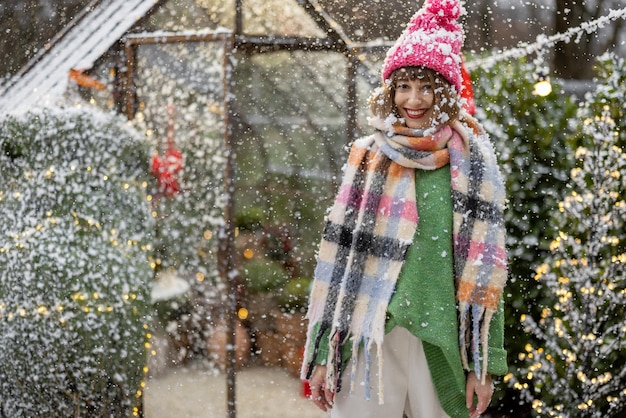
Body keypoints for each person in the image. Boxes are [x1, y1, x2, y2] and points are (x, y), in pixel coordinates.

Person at [300, 0, 508, 417]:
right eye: (404, 86)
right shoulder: (369, 156)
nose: (414, 99)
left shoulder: (473, 160)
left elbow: (487, 270)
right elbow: (339, 263)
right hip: (366, 333)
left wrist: (485, 364)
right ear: (390, 91)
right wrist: (323, 353)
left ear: (446, 93)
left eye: (427, 86)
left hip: (442, 337)